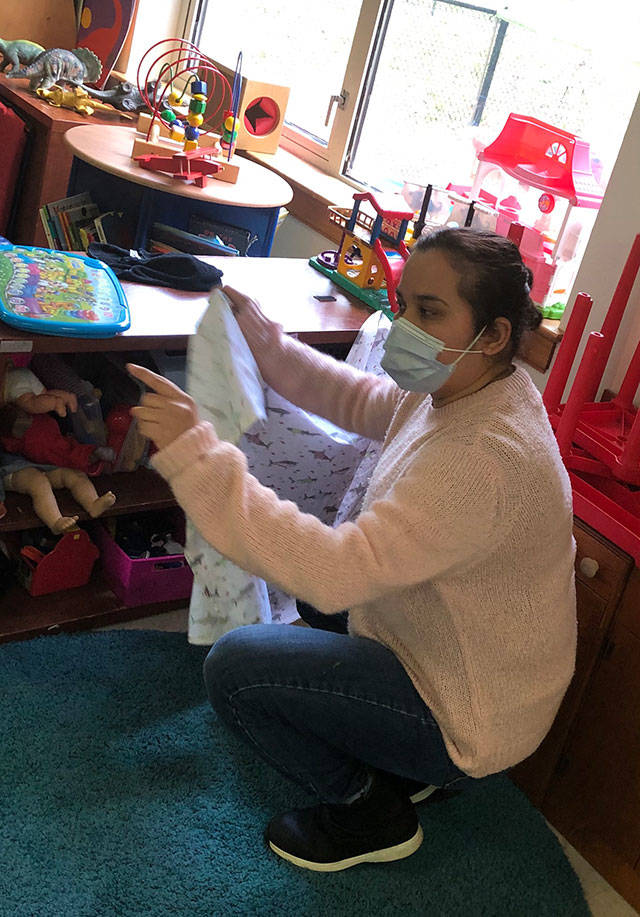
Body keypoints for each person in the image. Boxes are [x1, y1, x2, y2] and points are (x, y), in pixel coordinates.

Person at [127, 227, 577, 873]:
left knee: (236, 667)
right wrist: (268, 341)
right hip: (459, 655)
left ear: (495, 333)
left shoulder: (484, 457)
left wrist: (197, 454)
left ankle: (371, 807)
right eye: (404, 305)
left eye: (429, 311)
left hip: (469, 714)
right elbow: (360, 399)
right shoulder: (476, 385)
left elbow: (336, 573)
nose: (404, 326)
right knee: (307, 589)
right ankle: (402, 762)